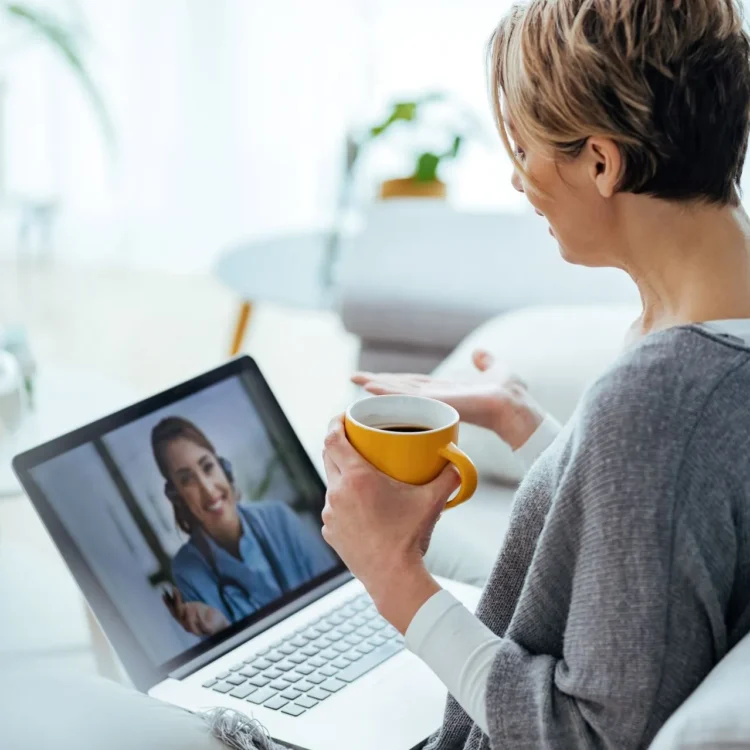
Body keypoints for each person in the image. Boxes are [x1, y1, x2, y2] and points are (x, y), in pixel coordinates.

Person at [320, 1, 750, 748]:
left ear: (601, 161)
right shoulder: (709, 321)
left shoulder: (661, 398)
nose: (519, 182)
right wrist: (529, 425)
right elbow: (670, 525)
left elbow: (588, 736)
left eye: (524, 150)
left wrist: (396, 578)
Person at [151, 416, 336, 637]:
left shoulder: (278, 518)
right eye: (187, 480)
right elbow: (224, 655)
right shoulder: (188, 570)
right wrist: (222, 630)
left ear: (223, 467)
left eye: (208, 467)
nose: (208, 490)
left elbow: (335, 593)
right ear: (177, 497)